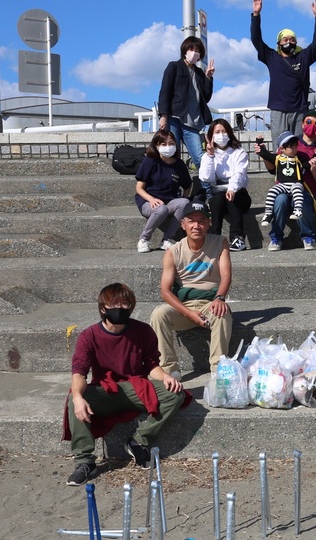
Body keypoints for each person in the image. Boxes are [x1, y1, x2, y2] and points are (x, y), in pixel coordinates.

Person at [65, 283, 187, 486]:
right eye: (114, 304)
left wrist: (165, 376)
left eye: (124, 304)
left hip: (135, 386)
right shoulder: (89, 336)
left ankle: (139, 440)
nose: (119, 308)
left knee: (175, 393)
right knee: (74, 398)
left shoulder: (143, 331)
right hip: (105, 388)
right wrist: (78, 397)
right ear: (103, 308)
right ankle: (85, 461)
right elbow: (79, 371)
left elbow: (151, 365)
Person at [149, 201, 233, 377]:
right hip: (183, 306)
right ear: (183, 224)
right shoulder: (173, 251)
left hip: (210, 303)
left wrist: (219, 298)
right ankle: (169, 369)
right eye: (191, 221)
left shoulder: (220, 242)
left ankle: (219, 369)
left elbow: (226, 275)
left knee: (222, 313)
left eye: (202, 220)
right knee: (158, 314)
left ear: (209, 223)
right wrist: (189, 313)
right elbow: (165, 291)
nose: (197, 226)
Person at [251, 0, 316, 143]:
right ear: (279, 43)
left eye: (292, 39)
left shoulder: (303, 57)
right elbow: (256, 40)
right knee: (280, 149)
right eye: (285, 39)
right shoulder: (272, 57)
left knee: (299, 148)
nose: (288, 42)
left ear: (296, 42)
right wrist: (256, 14)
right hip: (278, 111)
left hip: (299, 111)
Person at [157, 36, 214, 173]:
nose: (194, 52)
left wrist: (208, 78)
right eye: (191, 49)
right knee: (171, 155)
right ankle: (171, 189)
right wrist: (163, 115)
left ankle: (209, 190)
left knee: (200, 158)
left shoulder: (199, 73)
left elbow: (205, 98)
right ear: (184, 50)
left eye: (198, 50)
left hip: (192, 123)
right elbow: (165, 91)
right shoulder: (174, 67)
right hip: (174, 118)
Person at [257, 132, 316, 251]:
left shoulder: (300, 157)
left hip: (297, 186)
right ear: (281, 149)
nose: (295, 149)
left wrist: (315, 158)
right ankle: (275, 236)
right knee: (279, 199)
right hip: (283, 187)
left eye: (296, 146)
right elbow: (265, 154)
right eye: (291, 147)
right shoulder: (277, 158)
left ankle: (308, 236)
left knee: (300, 197)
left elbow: (307, 164)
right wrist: (259, 144)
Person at [134, 131, 192, 254]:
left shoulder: (179, 164)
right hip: (148, 202)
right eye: (163, 144)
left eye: (171, 143)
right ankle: (144, 239)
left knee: (185, 202)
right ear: (156, 146)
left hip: (169, 201)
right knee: (161, 210)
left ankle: (167, 239)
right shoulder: (150, 161)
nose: (168, 146)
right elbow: (139, 188)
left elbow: (188, 185)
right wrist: (151, 199)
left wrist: (183, 201)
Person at [198, 119, 252, 252]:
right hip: (219, 193)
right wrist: (210, 156)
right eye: (217, 132)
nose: (221, 134)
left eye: (224, 131)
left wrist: (232, 189)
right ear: (211, 135)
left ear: (229, 133)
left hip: (239, 194)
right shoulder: (207, 155)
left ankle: (238, 237)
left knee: (233, 197)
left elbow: (240, 173)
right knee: (217, 198)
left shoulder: (239, 152)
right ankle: (213, 237)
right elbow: (206, 177)